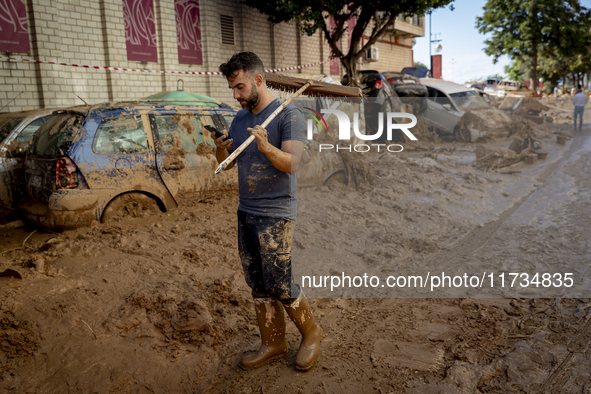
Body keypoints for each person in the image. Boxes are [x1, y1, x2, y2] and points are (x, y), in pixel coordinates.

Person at [212, 52, 322, 371]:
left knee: (280, 283)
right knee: (257, 282)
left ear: (259, 80)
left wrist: (265, 146)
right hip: (246, 210)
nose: (236, 95)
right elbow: (229, 162)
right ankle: (273, 341)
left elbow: (292, 163)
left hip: (276, 212)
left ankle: (312, 332)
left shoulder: (288, 116)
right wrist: (221, 148)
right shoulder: (240, 119)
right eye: (233, 88)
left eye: (240, 87)